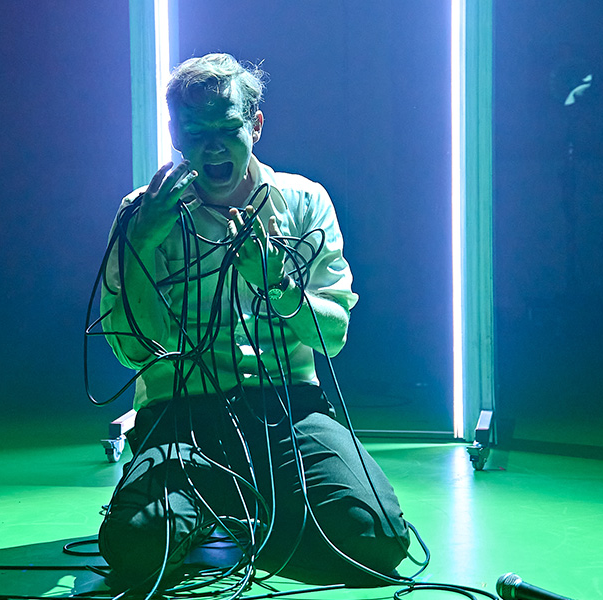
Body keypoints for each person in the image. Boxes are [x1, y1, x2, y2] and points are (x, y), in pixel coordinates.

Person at [96, 53, 412, 591]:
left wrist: (278, 286)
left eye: (228, 128)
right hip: (179, 417)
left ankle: (253, 504)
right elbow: (131, 350)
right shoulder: (139, 213)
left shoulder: (304, 202)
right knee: (135, 548)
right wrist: (141, 247)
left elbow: (332, 336)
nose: (213, 146)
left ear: (256, 125)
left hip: (287, 409)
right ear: (174, 133)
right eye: (196, 132)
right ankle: (210, 500)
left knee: (376, 539)